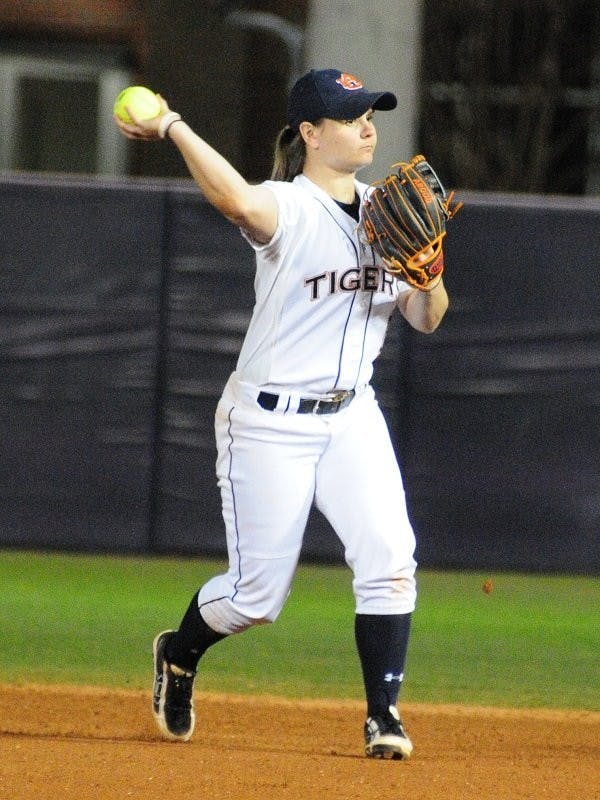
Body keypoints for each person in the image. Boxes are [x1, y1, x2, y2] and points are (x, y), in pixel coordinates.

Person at [115, 68, 449, 760]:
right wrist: (172, 124)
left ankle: (383, 716)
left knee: (391, 559)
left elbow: (426, 319)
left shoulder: (394, 213)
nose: (367, 126)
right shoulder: (284, 207)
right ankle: (179, 653)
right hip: (268, 421)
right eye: (351, 115)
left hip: (353, 416)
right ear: (309, 134)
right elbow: (233, 200)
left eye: (371, 114)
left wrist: (431, 269)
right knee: (257, 596)